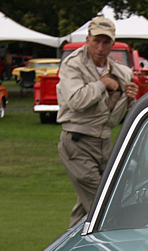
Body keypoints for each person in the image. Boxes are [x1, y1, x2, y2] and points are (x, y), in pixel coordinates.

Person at [56, 16, 139, 228]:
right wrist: (102, 84)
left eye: (106, 42)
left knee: (86, 208)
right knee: (104, 205)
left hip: (105, 143)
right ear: (87, 39)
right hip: (77, 142)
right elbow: (76, 101)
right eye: (96, 41)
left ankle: (70, 248)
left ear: (113, 43)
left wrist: (130, 99)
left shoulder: (122, 71)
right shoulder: (72, 65)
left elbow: (118, 118)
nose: (100, 48)